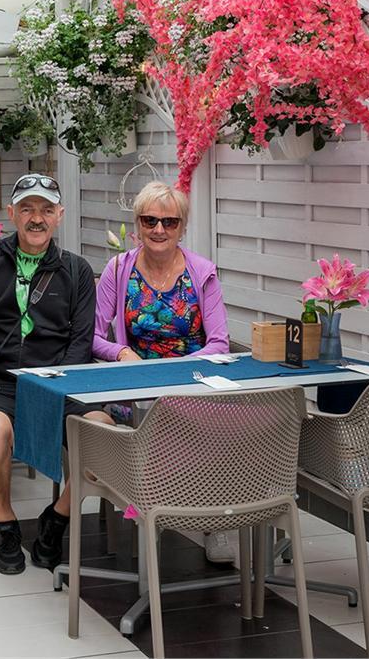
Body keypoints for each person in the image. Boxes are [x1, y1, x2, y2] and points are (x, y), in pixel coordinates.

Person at [0, 173, 113, 575]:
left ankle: (57, 518)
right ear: (12, 214)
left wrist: (51, 392)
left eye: (46, 210)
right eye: (28, 209)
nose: (37, 218)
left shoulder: (77, 270)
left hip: (58, 384)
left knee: (104, 434)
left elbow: (80, 343)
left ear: (59, 215)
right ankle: (6, 523)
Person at [92, 180, 235, 562]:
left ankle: (215, 520)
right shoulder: (118, 270)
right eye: (150, 220)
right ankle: (153, 508)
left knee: (212, 422)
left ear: (182, 227)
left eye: (169, 222)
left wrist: (175, 371)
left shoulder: (202, 272)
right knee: (149, 421)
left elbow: (219, 343)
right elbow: (92, 336)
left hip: (192, 383)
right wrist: (122, 351)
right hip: (136, 389)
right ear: (137, 224)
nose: (159, 229)